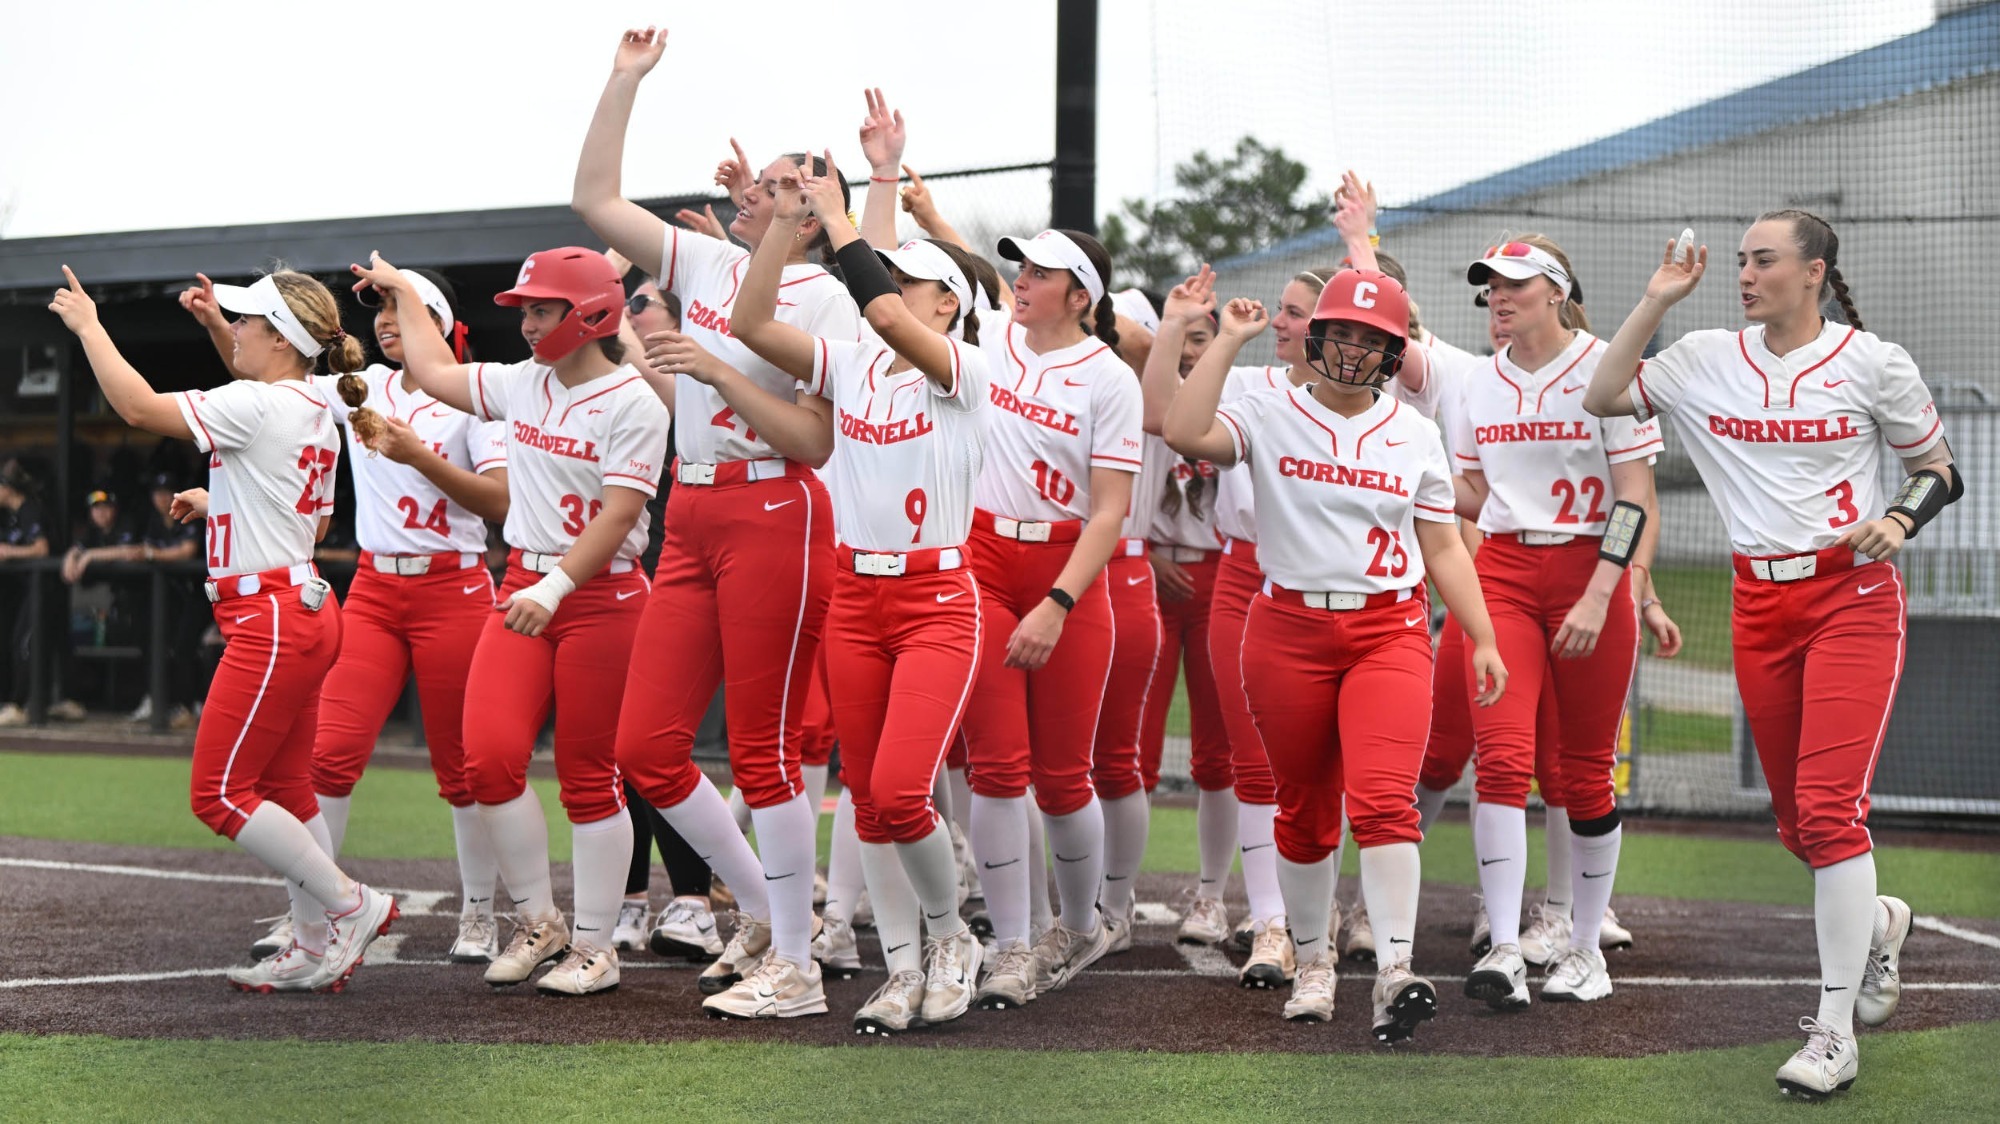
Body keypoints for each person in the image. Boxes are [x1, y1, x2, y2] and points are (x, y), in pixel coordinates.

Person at [1583, 211, 1943, 1100]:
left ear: (1813, 271)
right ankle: (1880, 922)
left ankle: (1832, 1035)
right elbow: (1601, 393)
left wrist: (1899, 516)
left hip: (1851, 596)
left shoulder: (1873, 362)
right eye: (1740, 260)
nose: (1744, 273)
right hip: (1759, 605)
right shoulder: (1705, 355)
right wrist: (1659, 297)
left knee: (1827, 813)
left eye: (1763, 259)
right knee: (1799, 827)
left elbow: (1938, 468)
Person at [573, 27, 860, 1015]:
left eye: (788, 186)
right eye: (765, 181)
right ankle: (763, 912)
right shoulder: (702, 260)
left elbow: (812, 441)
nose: (761, 188)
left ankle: (795, 962)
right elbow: (596, 203)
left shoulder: (829, 297)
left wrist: (722, 374)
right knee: (646, 744)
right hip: (690, 511)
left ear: (816, 215)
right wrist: (624, 81)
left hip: (776, 503)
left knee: (763, 750)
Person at [1164, 272, 1505, 1042]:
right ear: (1318, 338)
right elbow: (1185, 432)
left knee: (1385, 803)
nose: (1354, 350)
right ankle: (1314, 960)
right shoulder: (1267, 404)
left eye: (1372, 339)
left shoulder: (1413, 432)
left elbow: (1443, 544)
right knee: (1306, 809)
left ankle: (1393, 970)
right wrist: (1223, 341)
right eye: (1342, 333)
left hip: (1389, 630)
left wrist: (1481, 634)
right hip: (1286, 628)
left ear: (1394, 352)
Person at [697, 157, 990, 1034]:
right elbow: (750, 320)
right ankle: (901, 972)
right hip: (856, 598)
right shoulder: (854, 362)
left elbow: (888, 312)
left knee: (901, 792)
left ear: (948, 303)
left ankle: (952, 941)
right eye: (888, 275)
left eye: (912, 282)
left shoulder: (964, 367)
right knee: (868, 799)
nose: (889, 291)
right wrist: (789, 221)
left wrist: (847, 209)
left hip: (937, 600)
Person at [50, 264, 398, 993]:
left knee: (218, 794)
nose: (234, 327)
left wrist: (89, 327)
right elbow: (308, 513)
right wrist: (225, 503)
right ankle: (310, 944)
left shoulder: (263, 402)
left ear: (279, 338)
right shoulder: (310, 402)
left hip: (271, 616)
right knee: (290, 791)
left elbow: (139, 408)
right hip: (299, 607)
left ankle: (349, 905)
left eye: (246, 321)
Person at [359, 246, 668, 998]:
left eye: (540, 308)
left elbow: (622, 513)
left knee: (590, 779)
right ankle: (540, 922)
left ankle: (596, 946)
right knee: (487, 761)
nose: (526, 323)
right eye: (524, 309)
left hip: (601, 595)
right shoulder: (521, 383)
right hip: (527, 583)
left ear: (590, 313)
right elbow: (432, 373)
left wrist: (557, 586)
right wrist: (401, 287)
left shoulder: (635, 401)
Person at [182, 266, 513, 966]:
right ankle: (320, 907)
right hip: (371, 589)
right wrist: (221, 325)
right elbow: (270, 389)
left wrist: (419, 457)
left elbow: (502, 504)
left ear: (440, 317)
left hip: (452, 588)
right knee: (327, 758)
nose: (385, 319)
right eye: (378, 308)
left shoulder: (474, 392)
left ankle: (481, 912)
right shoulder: (363, 387)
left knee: (464, 769)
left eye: (398, 304)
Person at [1449, 235, 1680, 1009]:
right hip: (1505, 574)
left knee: (1581, 773)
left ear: (1556, 290)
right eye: (1491, 286)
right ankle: (1508, 950)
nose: (1499, 297)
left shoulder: (1604, 367)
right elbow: (1476, 491)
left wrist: (1604, 590)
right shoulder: (1479, 383)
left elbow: (1636, 496)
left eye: (1514, 283)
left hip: (1593, 573)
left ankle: (1585, 951)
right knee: (1503, 763)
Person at [954, 224, 1141, 1010]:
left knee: (1065, 776)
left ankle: (1076, 925)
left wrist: (1059, 603)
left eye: (1040, 271)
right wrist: (885, 181)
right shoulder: (987, 338)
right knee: (997, 767)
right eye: (1020, 268)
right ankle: (1010, 945)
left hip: (1067, 568)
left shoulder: (1109, 378)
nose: (1021, 281)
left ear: (1081, 295)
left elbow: (1111, 512)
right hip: (984, 557)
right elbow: (904, 290)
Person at [599, 272, 723, 963]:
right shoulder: (590, 386)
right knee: (625, 753)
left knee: (661, 750)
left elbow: (638, 358)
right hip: (631, 572)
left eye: (642, 304)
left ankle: (701, 901)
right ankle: (633, 900)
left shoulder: (689, 386)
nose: (630, 315)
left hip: (672, 577)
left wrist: (613, 295)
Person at [1134, 275, 1238, 945]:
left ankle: (1211, 895)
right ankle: (1115, 896)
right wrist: (1145, 554)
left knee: (1218, 754)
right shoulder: (1138, 391)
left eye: (1206, 340)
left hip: (1219, 580)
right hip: (1148, 575)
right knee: (1130, 751)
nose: (1194, 354)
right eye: (1185, 341)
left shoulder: (1246, 401)